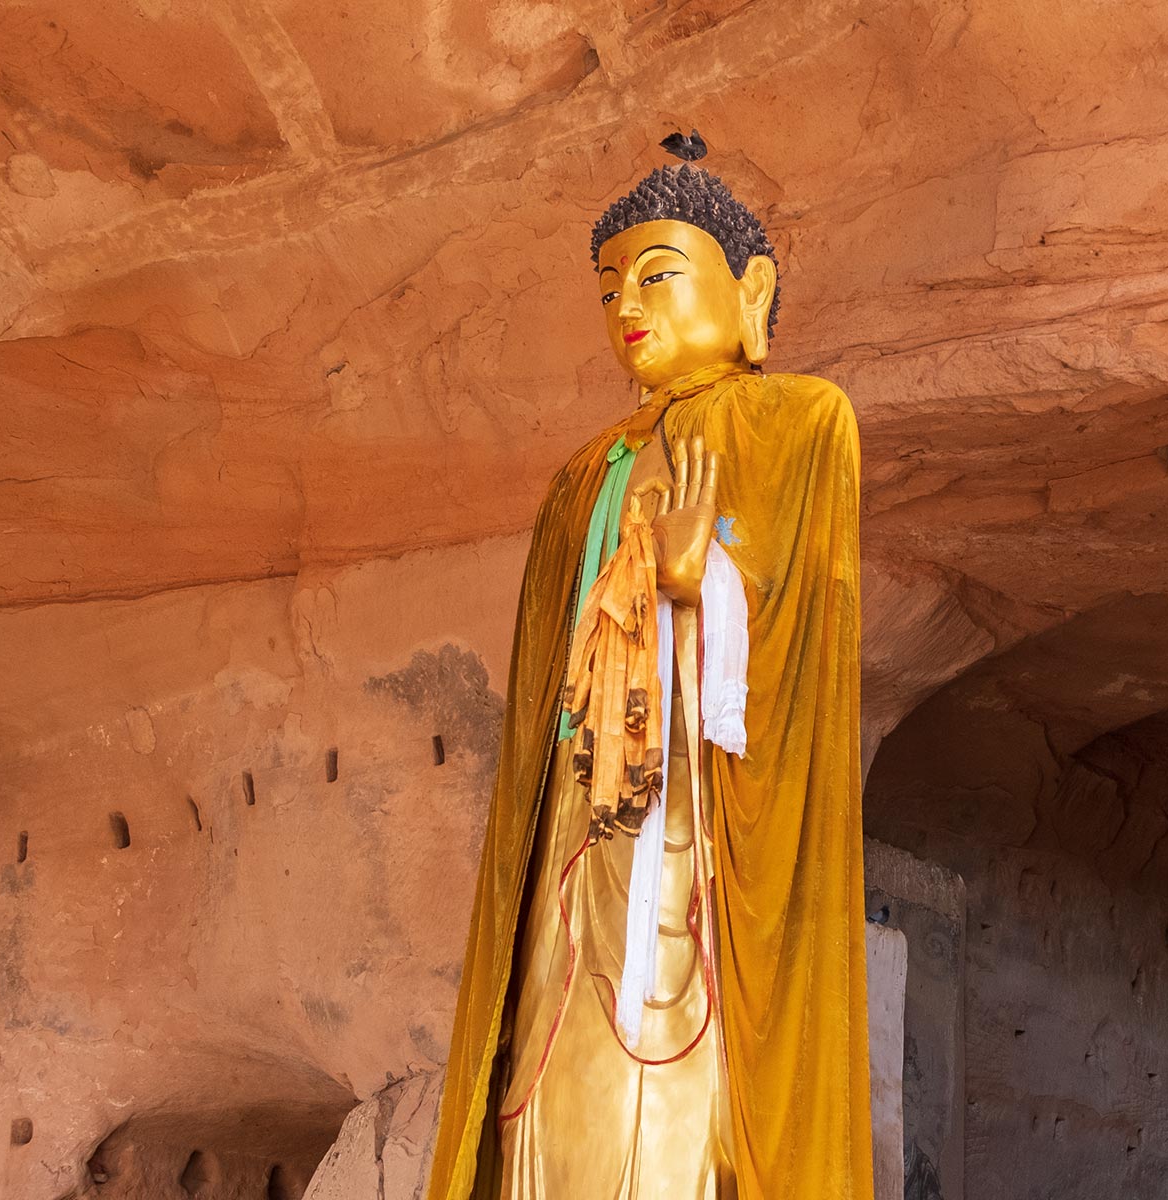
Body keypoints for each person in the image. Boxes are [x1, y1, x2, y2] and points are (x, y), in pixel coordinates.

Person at [424, 138, 872, 1200]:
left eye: (660, 272)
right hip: (580, 840)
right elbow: (541, 707)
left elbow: (803, 641)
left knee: (672, 1077)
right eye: (612, 287)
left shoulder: (799, 425)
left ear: (750, 289)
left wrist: (702, 581)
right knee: (549, 1073)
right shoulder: (580, 479)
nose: (630, 304)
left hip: (694, 831)